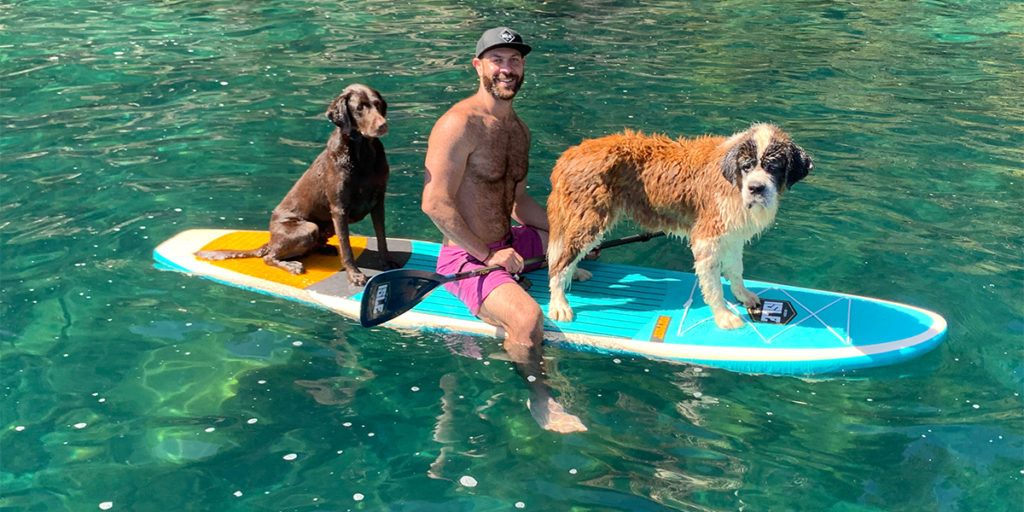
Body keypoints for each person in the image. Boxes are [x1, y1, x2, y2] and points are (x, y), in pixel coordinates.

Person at [421, 27, 587, 433]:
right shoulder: (457, 125)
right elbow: (434, 203)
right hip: (467, 256)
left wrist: (571, 235)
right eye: (498, 60)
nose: (507, 69)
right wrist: (486, 255)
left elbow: (520, 204)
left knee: (579, 249)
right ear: (478, 66)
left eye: (514, 61)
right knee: (529, 321)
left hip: (511, 242)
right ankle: (541, 399)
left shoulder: (519, 131)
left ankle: (554, 254)